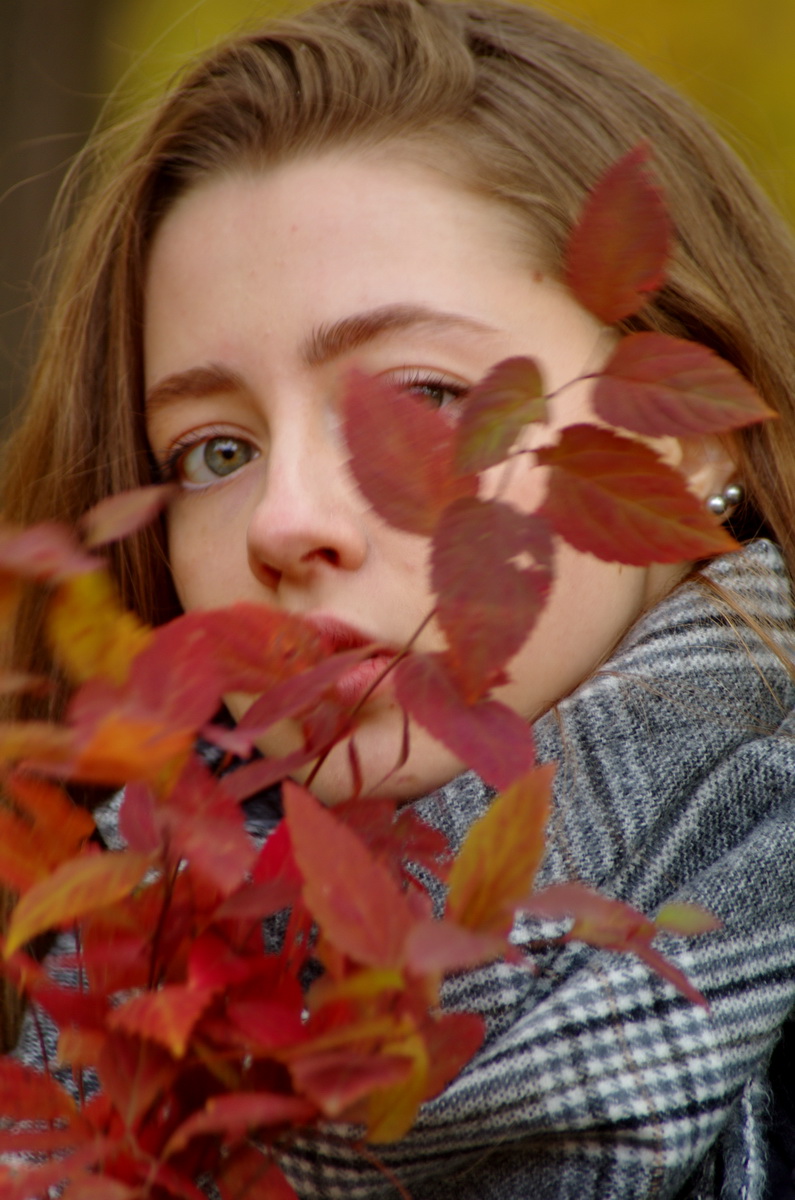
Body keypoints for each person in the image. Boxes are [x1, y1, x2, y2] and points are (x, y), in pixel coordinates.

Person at [3, 0, 795, 1196]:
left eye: (422, 397)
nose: (283, 523)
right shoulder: (73, 980)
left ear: (685, 437)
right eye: (215, 451)